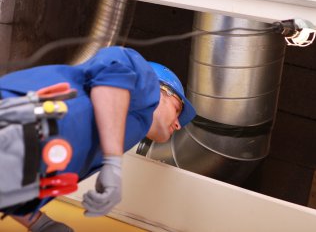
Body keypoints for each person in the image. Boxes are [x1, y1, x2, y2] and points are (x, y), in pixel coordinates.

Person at [0, 46, 196, 232]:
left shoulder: (113, 138)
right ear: (162, 91)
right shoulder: (145, 85)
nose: (178, 124)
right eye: (177, 109)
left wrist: (39, 223)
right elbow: (113, 65)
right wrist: (112, 160)